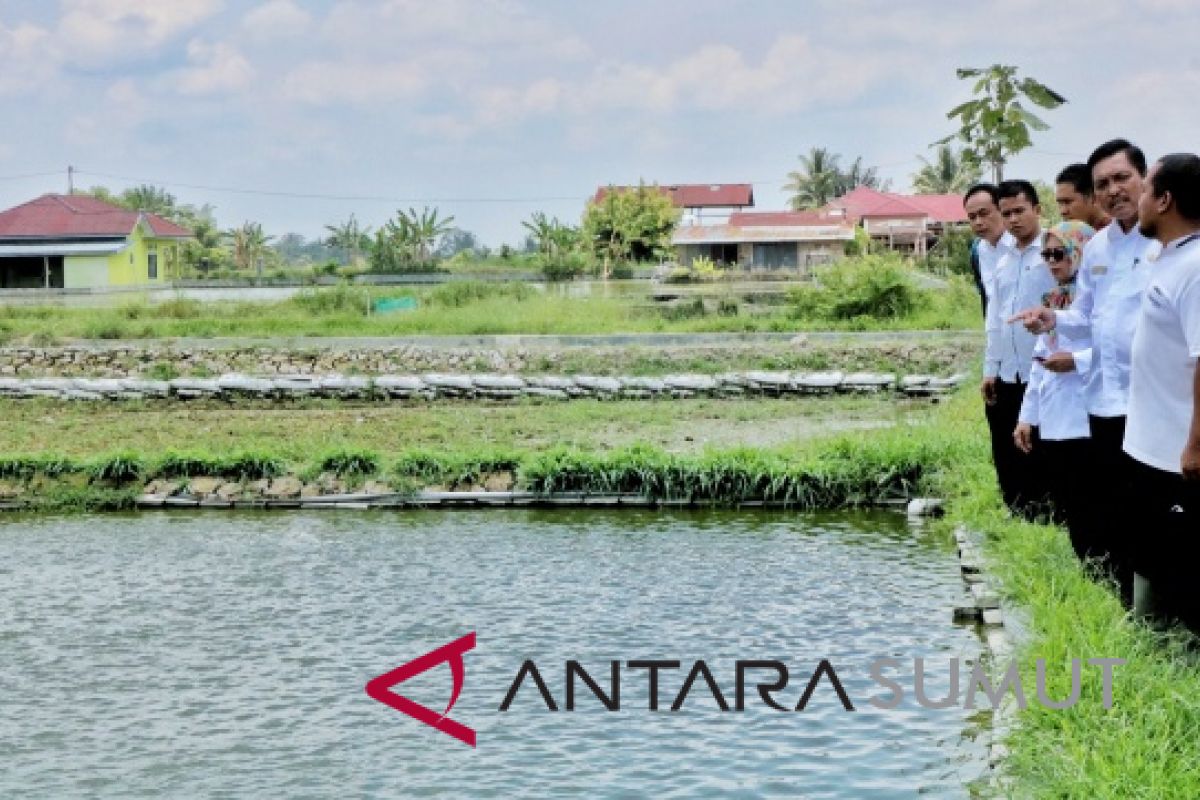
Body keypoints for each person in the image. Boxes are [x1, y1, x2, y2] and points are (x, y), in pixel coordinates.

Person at [1009, 139, 1160, 604]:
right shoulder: (1097, 248)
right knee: (1113, 510)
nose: (1114, 191)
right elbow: (1090, 320)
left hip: (1151, 404)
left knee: (1155, 514)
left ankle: (1159, 612)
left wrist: (1076, 359)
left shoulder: (1165, 247)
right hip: (1103, 404)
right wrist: (1051, 319)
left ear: (1145, 181)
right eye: (1102, 185)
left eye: (1122, 179)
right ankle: (1127, 606)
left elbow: (1154, 341)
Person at [1123, 153, 1200, 630]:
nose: (1139, 199)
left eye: (1145, 188)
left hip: (1179, 453)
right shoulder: (1170, 259)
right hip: (1151, 448)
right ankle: (1153, 644)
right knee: (1152, 551)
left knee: (1182, 562)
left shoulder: (1196, 266)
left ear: (1166, 199)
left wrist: (1195, 443)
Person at [1013, 221, 1095, 535]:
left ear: (1081, 252)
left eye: (1059, 253)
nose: (1051, 262)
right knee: (1069, 502)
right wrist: (1026, 417)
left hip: (1089, 415)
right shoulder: (1052, 300)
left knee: (1093, 502)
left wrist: (1076, 362)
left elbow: (1117, 350)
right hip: (1055, 415)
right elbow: (1039, 362)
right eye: (1046, 255)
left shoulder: (1097, 300)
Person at [982, 179, 1054, 518]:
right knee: (1009, 445)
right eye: (1007, 213)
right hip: (1009, 369)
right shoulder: (1003, 259)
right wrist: (990, 368)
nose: (1013, 220)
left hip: (1044, 367)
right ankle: (1020, 511)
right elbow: (995, 317)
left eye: (1020, 211)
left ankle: (1049, 512)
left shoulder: (1055, 251)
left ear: (1037, 210)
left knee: (1042, 447)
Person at [964, 183, 1014, 316]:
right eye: (972, 217)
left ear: (1002, 210)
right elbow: (986, 297)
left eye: (984, 213)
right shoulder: (977, 251)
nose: (978, 222)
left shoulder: (1023, 245)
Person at [1056, 163, 1111, 230]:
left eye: (1068, 202)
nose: (1063, 211)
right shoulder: (1072, 236)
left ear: (1093, 198)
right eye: (1060, 203)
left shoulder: (1118, 231)